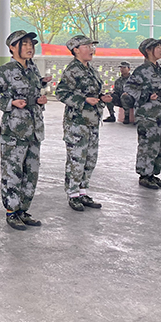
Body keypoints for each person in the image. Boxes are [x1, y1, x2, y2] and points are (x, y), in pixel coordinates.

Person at [0, 31, 51, 231]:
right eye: (25, 44)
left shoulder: (32, 69)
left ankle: (23, 209)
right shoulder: (5, 70)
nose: (30, 47)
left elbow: (33, 92)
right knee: (12, 172)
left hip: (34, 129)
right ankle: (11, 212)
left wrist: (40, 99)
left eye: (31, 44)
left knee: (31, 172)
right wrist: (10, 103)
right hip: (14, 130)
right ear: (12, 48)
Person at [54, 35, 111, 212]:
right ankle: (73, 194)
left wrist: (101, 98)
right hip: (77, 122)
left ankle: (83, 191)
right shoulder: (73, 70)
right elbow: (61, 92)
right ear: (76, 50)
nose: (91, 49)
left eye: (92, 46)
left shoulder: (90, 69)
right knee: (76, 159)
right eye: (87, 46)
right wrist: (83, 101)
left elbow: (92, 92)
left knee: (90, 159)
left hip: (92, 120)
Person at [123, 37, 161, 190]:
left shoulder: (160, 69)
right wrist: (146, 95)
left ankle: (152, 174)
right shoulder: (142, 70)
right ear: (148, 51)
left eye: (160, 47)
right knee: (147, 146)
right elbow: (129, 87)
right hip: (148, 115)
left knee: (160, 146)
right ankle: (144, 175)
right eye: (157, 47)